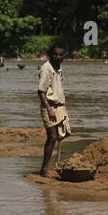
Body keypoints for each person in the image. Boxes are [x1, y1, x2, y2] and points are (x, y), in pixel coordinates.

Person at [37, 44, 70, 176]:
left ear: (63, 56)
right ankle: (44, 169)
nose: (58, 57)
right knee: (53, 137)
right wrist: (49, 109)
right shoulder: (47, 69)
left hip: (59, 106)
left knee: (60, 135)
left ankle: (51, 166)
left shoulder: (58, 68)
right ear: (51, 55)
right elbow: (41, 92)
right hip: (49, 107)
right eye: (55, 54)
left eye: (60, 55)